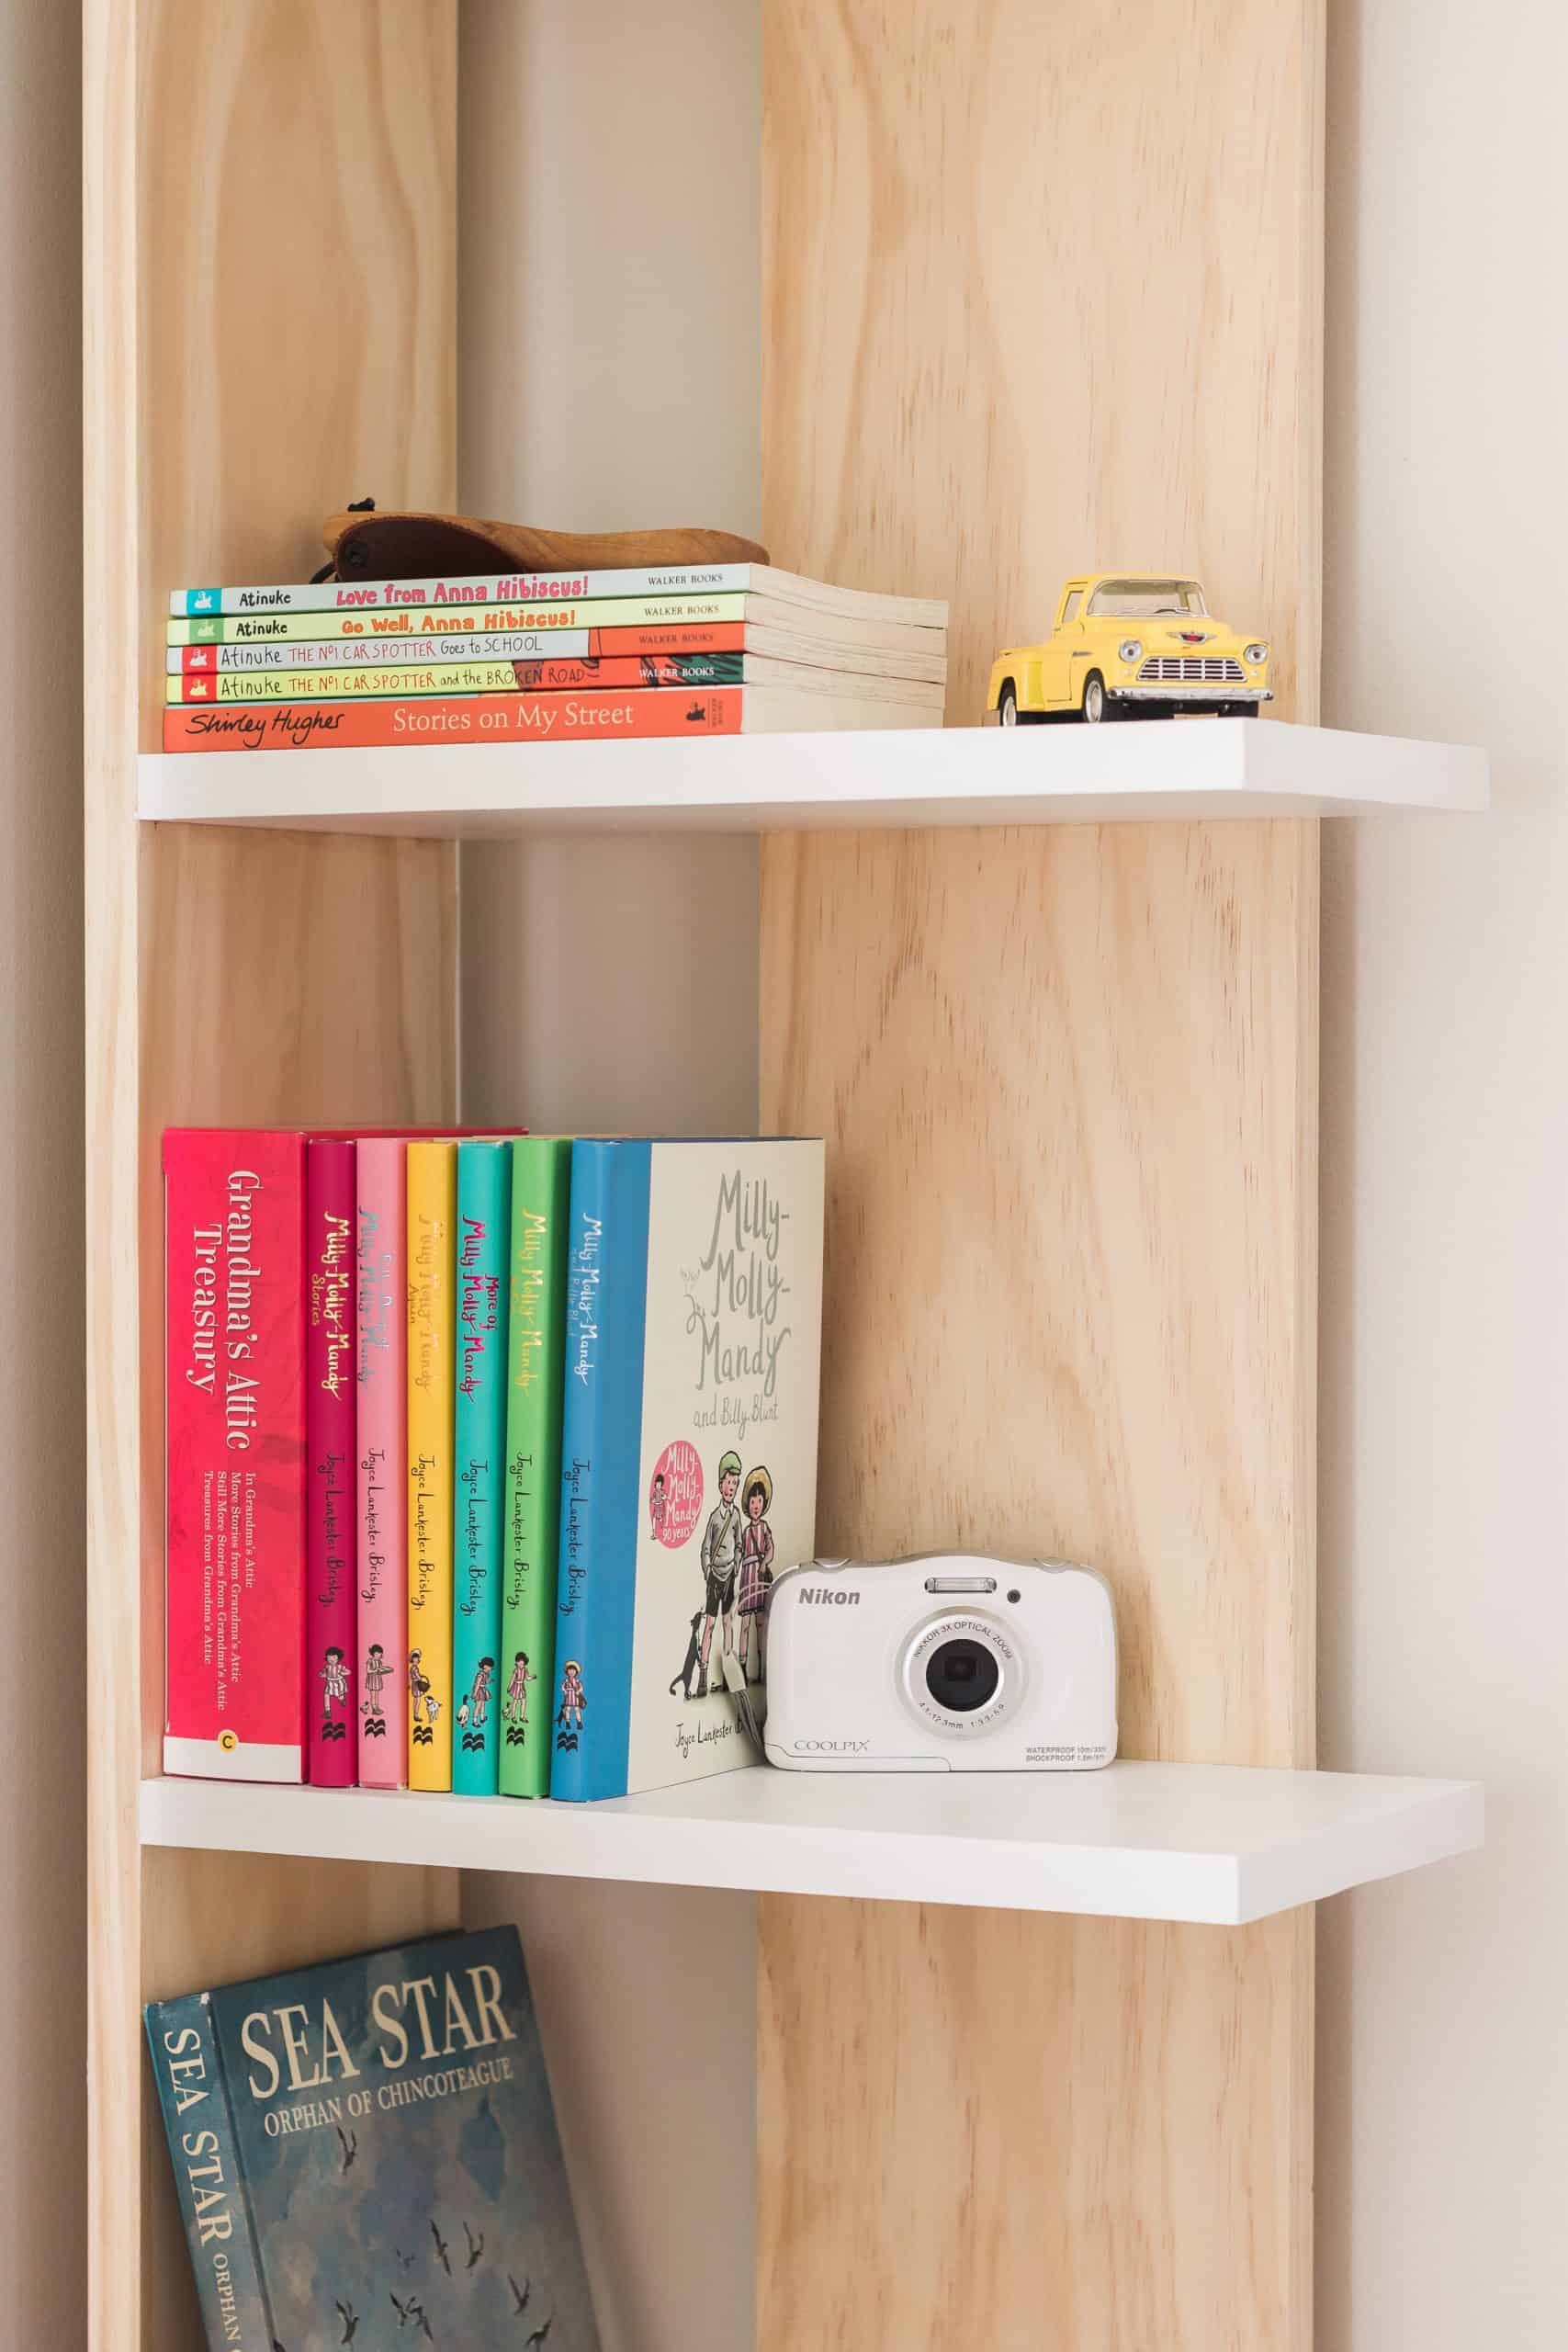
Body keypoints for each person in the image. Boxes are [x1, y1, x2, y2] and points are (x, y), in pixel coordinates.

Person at [696, 1450, 743, 1696]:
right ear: (720, 1484)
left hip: (730, 1576)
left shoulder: (736, 1516)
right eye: (728, 1482)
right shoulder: (715, 1518)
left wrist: (736, 1562)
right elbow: (705, 1546)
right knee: (710, 1624)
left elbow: (739, 1544)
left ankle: (727, 1673)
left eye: (735, 1483)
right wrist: (707, 1570)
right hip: (715, 1578)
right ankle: (703, 1675)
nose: (731, 1487)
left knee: (728, 1623)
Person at [736, 1466, 776, 1686]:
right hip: (747, 1576)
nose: (756, 1505)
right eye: (752, 1501)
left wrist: (763, 1562)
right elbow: (740, 1552)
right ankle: (742, 1667)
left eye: (759, 1501)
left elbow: (770, 1549)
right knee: (744, 1624)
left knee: (760, 1623)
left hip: (759, 1576)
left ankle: (761, 1666)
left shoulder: (765, 1528)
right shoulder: (745, 1531)